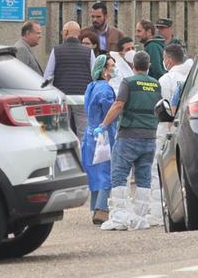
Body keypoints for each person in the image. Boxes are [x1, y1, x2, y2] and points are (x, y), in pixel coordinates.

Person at [94, 51, 161, 231]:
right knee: (144, 176)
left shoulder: (128, 82)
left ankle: (120, 216)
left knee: (119, 174)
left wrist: (104, 124)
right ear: (148, 66)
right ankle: (139, 218)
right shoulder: (156, 84)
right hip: (149, 137)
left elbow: (118, 105)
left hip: (129, 136)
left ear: (133, 66)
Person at [148, 43, 195, 227]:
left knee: (158, 170)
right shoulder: (193, 76)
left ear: (167, 60)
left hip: (167, 128)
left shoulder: (166, 79)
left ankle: (159, 212)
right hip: (188, 129)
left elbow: (162, 107)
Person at [82, 55, 119, 225]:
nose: (114, 68)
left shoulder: (91, 86)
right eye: (111, 66)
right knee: (106, 172)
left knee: (95, 171)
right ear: (104, 70)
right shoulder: (105, 89)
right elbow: (111, 112)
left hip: (90, 134)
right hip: (104, 135)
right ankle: (102, 209)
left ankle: (96, 206)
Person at [45, 21, 95, 134]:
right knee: (83, 131)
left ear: (66, 32)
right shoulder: (89, 52)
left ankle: (67, 151)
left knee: (63, 131)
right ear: (79, 33)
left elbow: (48, 76)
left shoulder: (56, 51)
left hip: (63, 97)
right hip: (83, 97)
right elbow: (95, 75)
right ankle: (83, 151)